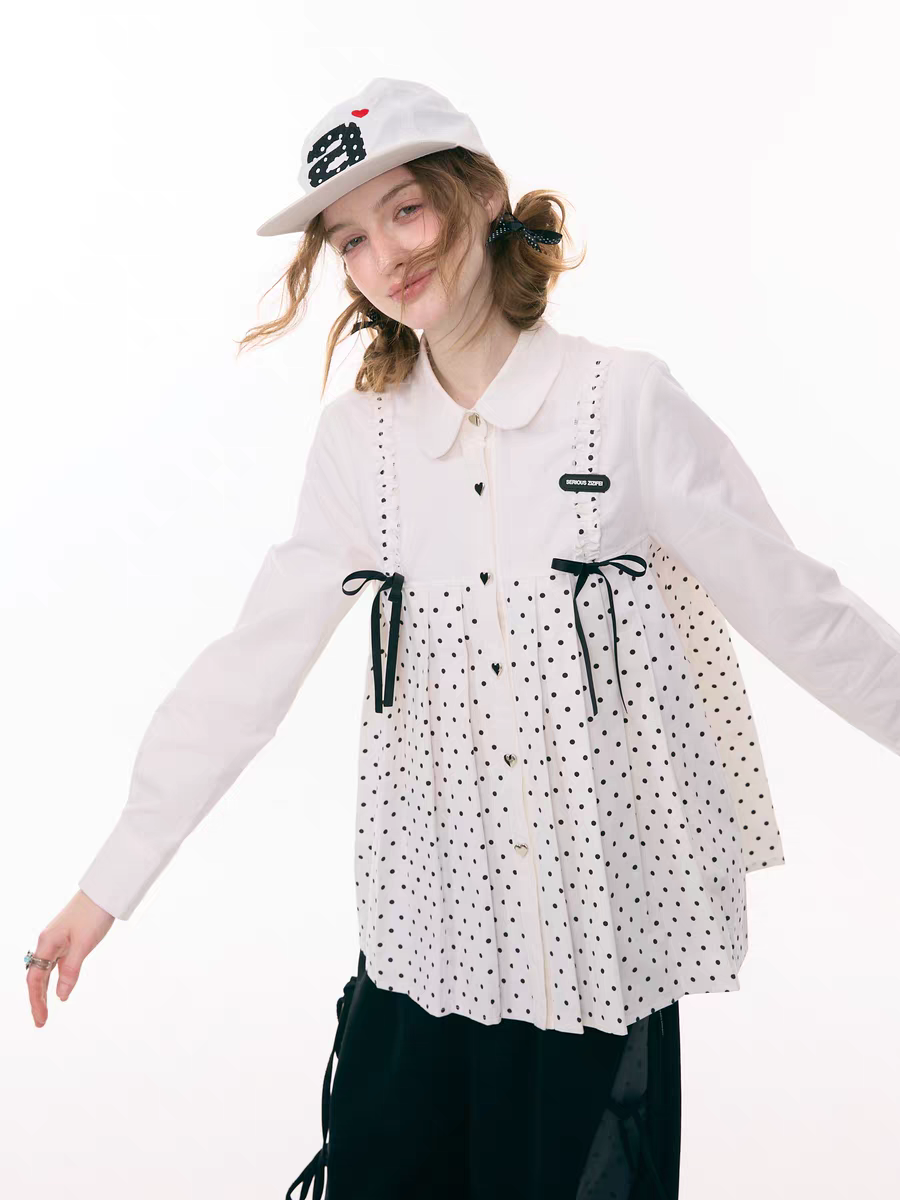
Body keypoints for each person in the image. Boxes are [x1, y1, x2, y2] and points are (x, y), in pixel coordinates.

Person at [25, 78, 900, 1200]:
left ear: (481, 196)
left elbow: (795, 604)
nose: (383, 256)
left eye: (406, 210)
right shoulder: (363, 448)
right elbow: (250, 668)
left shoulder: (622, 402)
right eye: (349, 238)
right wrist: (107, 886)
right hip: (428, 941)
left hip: (592, 947)